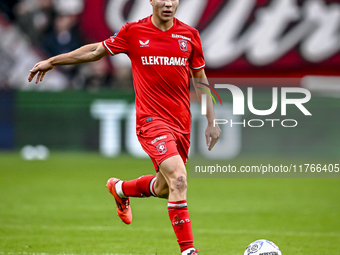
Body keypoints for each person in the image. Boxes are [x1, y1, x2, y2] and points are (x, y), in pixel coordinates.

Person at [28, 1, 221, 254]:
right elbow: (95, 51)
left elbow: (200, 79)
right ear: (151, 1)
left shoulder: (190, 35)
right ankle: (188, 251)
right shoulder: (133, 32)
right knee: (180, 179)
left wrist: (211, 120)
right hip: (151, 120)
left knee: (166, 188)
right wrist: (53, 61)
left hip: (181, 123)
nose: (167, 3)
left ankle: (120, 188)